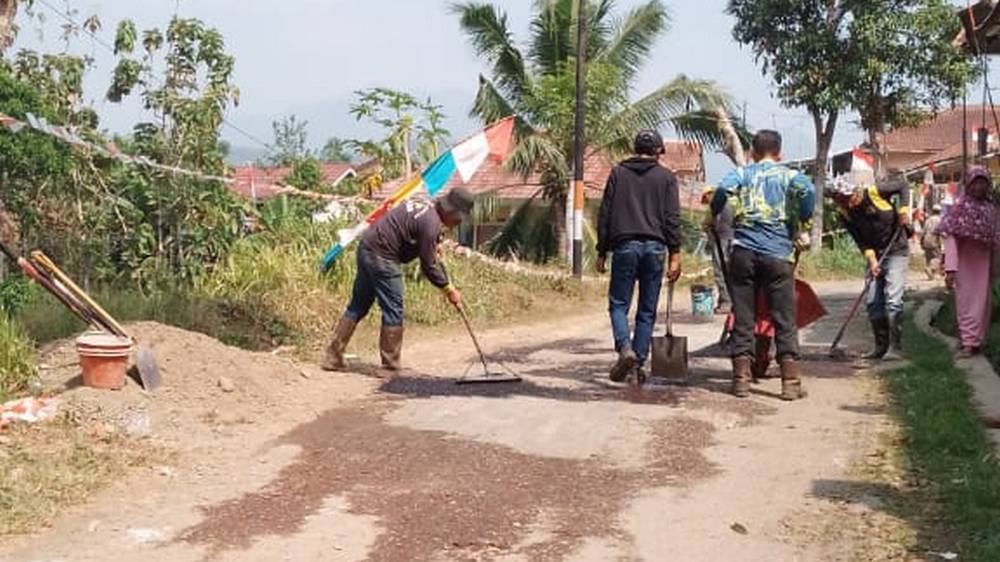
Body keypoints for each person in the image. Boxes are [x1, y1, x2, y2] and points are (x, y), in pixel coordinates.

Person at [711, 130, 815, 401]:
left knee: (744, 317)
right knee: (783, 318)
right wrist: (802, 220)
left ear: (753, 152)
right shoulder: (790, 176)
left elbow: (721, 190)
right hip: (778, 254)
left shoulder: (743, 174)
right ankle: (790, 382)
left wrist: (713, 214)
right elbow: (808, 192)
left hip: (743, 253)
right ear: (779, 153)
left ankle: (741, 381)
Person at [321, 188, 474, 372]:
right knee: (393, 308)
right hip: (383, 257)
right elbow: (429, 267)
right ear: (452, 213)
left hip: (366, 248)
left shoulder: (424, 206)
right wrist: (449, 289)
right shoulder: (431, 224)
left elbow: (414, 232)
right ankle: (390, 366)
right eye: (458, 219)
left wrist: (434, 244)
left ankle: (333, 357)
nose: (456, 224)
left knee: (358, 304)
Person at [596, 130, 682, 383]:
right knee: (647, 309)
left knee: (619, 304)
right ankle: (637, 364)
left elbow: (605, 215)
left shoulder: (618, 174)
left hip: (625, 247)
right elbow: (672, 219)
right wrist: (675, 254)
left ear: (635, 148)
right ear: (658, 151)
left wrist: (601, 251)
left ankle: (625, 348)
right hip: (655, 249)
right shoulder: (666, 178)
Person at [830, 175, 912, 361]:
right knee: (873, 302)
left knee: (893, 300)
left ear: (854, 192)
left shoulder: (874, 192)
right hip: (875, 254)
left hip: (896, 249)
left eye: (845, 197)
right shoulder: (844, 213)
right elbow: (860, 240)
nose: (843, 202)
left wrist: (904, 211)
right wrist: (872, 260)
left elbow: (903, 185)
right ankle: (880, 347)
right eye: (838, 199)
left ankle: (895, 348)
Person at [938, 166, 999, 358]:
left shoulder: (990, 209)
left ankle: (977, 341)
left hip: (985, 264)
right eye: (976, 182)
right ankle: (968, 342)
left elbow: (995, 240)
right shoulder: (959, 208)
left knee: (983, 305)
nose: (979, 187)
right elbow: (950, 238)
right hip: (964, 264)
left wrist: (995, 265)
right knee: (966, 302)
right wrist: (950, 268)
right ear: (968, 184)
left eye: (983, 182)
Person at [701, 186, 734, 314]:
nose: (706, 202)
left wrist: (707, 227)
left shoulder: (718, 205)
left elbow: (709, 223)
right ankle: (726, 300)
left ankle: (726, 302)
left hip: (722, 241)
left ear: (710, 194)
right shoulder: (730, 203)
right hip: (731, 240)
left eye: (705, 198)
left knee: (721, 272)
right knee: (729, 273)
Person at [922, 204, 943, 280]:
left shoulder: (928, 220)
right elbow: (941, 232)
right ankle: (930, 268)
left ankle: (931, 275)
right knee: (937, 257)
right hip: (934, 240)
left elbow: (923, 231)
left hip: (926, 240)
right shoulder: (939, 220)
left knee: (929, 257)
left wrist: (921, 241)